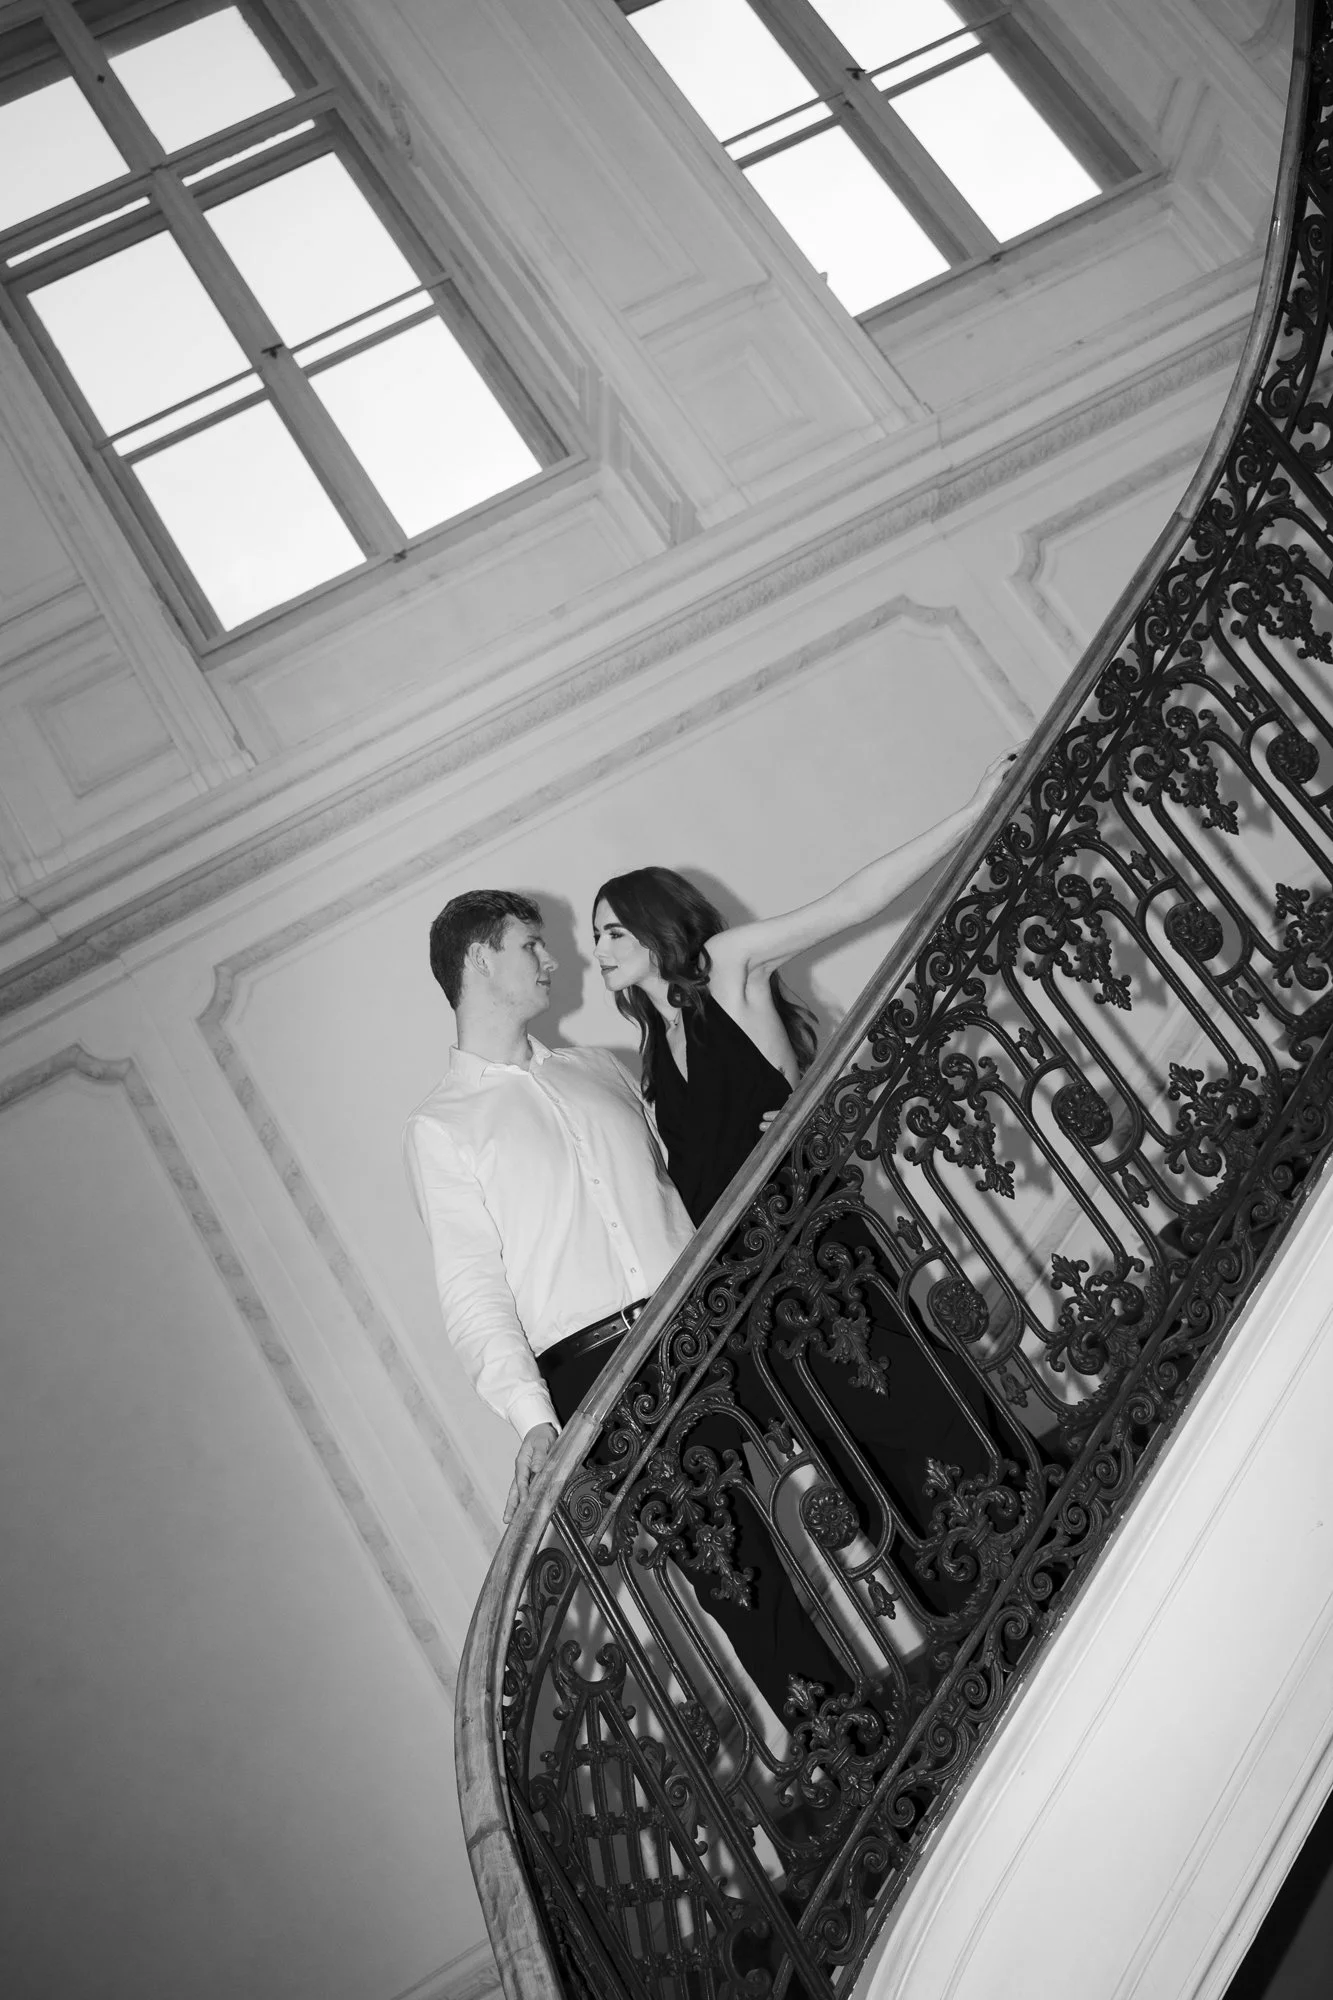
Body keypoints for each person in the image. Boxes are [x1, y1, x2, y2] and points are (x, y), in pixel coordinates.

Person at [403, 888, 858, 1719]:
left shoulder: (597, 1069)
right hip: (600, 1375)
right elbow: (471, 1286)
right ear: (478, 961)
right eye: (530, 945)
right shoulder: (443, 1127)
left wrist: (777, 1123)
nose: (553, 961)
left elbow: (690, 1178)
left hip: (711, 1320)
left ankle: (975, 1607)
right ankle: (852, 1744)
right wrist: (528, 1416)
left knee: (855, 1446)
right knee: (736, 1576)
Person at [591, 747, 1025, 1616]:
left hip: (814, 1241)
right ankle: (970, 1605)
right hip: (747, 1285)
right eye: (592, 938)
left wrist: (979, 804)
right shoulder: (646, 1053)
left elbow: (851, 902)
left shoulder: (725, 965)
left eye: (611, 931)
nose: (597, 951)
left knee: (908, 1397)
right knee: (852, 1448)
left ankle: (1022, 1542)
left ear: (653, 925)